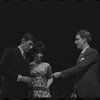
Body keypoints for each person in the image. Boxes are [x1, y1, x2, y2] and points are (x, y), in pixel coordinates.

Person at [52, 29, 100, 98]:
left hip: (90, 91)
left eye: (77, 39)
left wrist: (61, 73)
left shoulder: (93, 52)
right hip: (81, 92)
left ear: (84, 40)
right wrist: (75, 91)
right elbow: (78, 75)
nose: (75, 42)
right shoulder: (81, 55)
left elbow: (79, 68)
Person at [0, 33, 37, 99]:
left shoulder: (27, 59)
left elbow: (25, 75)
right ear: (23, 41)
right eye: (30, 44)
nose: (31, 47)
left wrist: (30, 80)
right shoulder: (10, 51)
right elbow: (2, 69)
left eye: (32, 45)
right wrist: (21, 78)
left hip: (22, 95)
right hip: (9, 94)